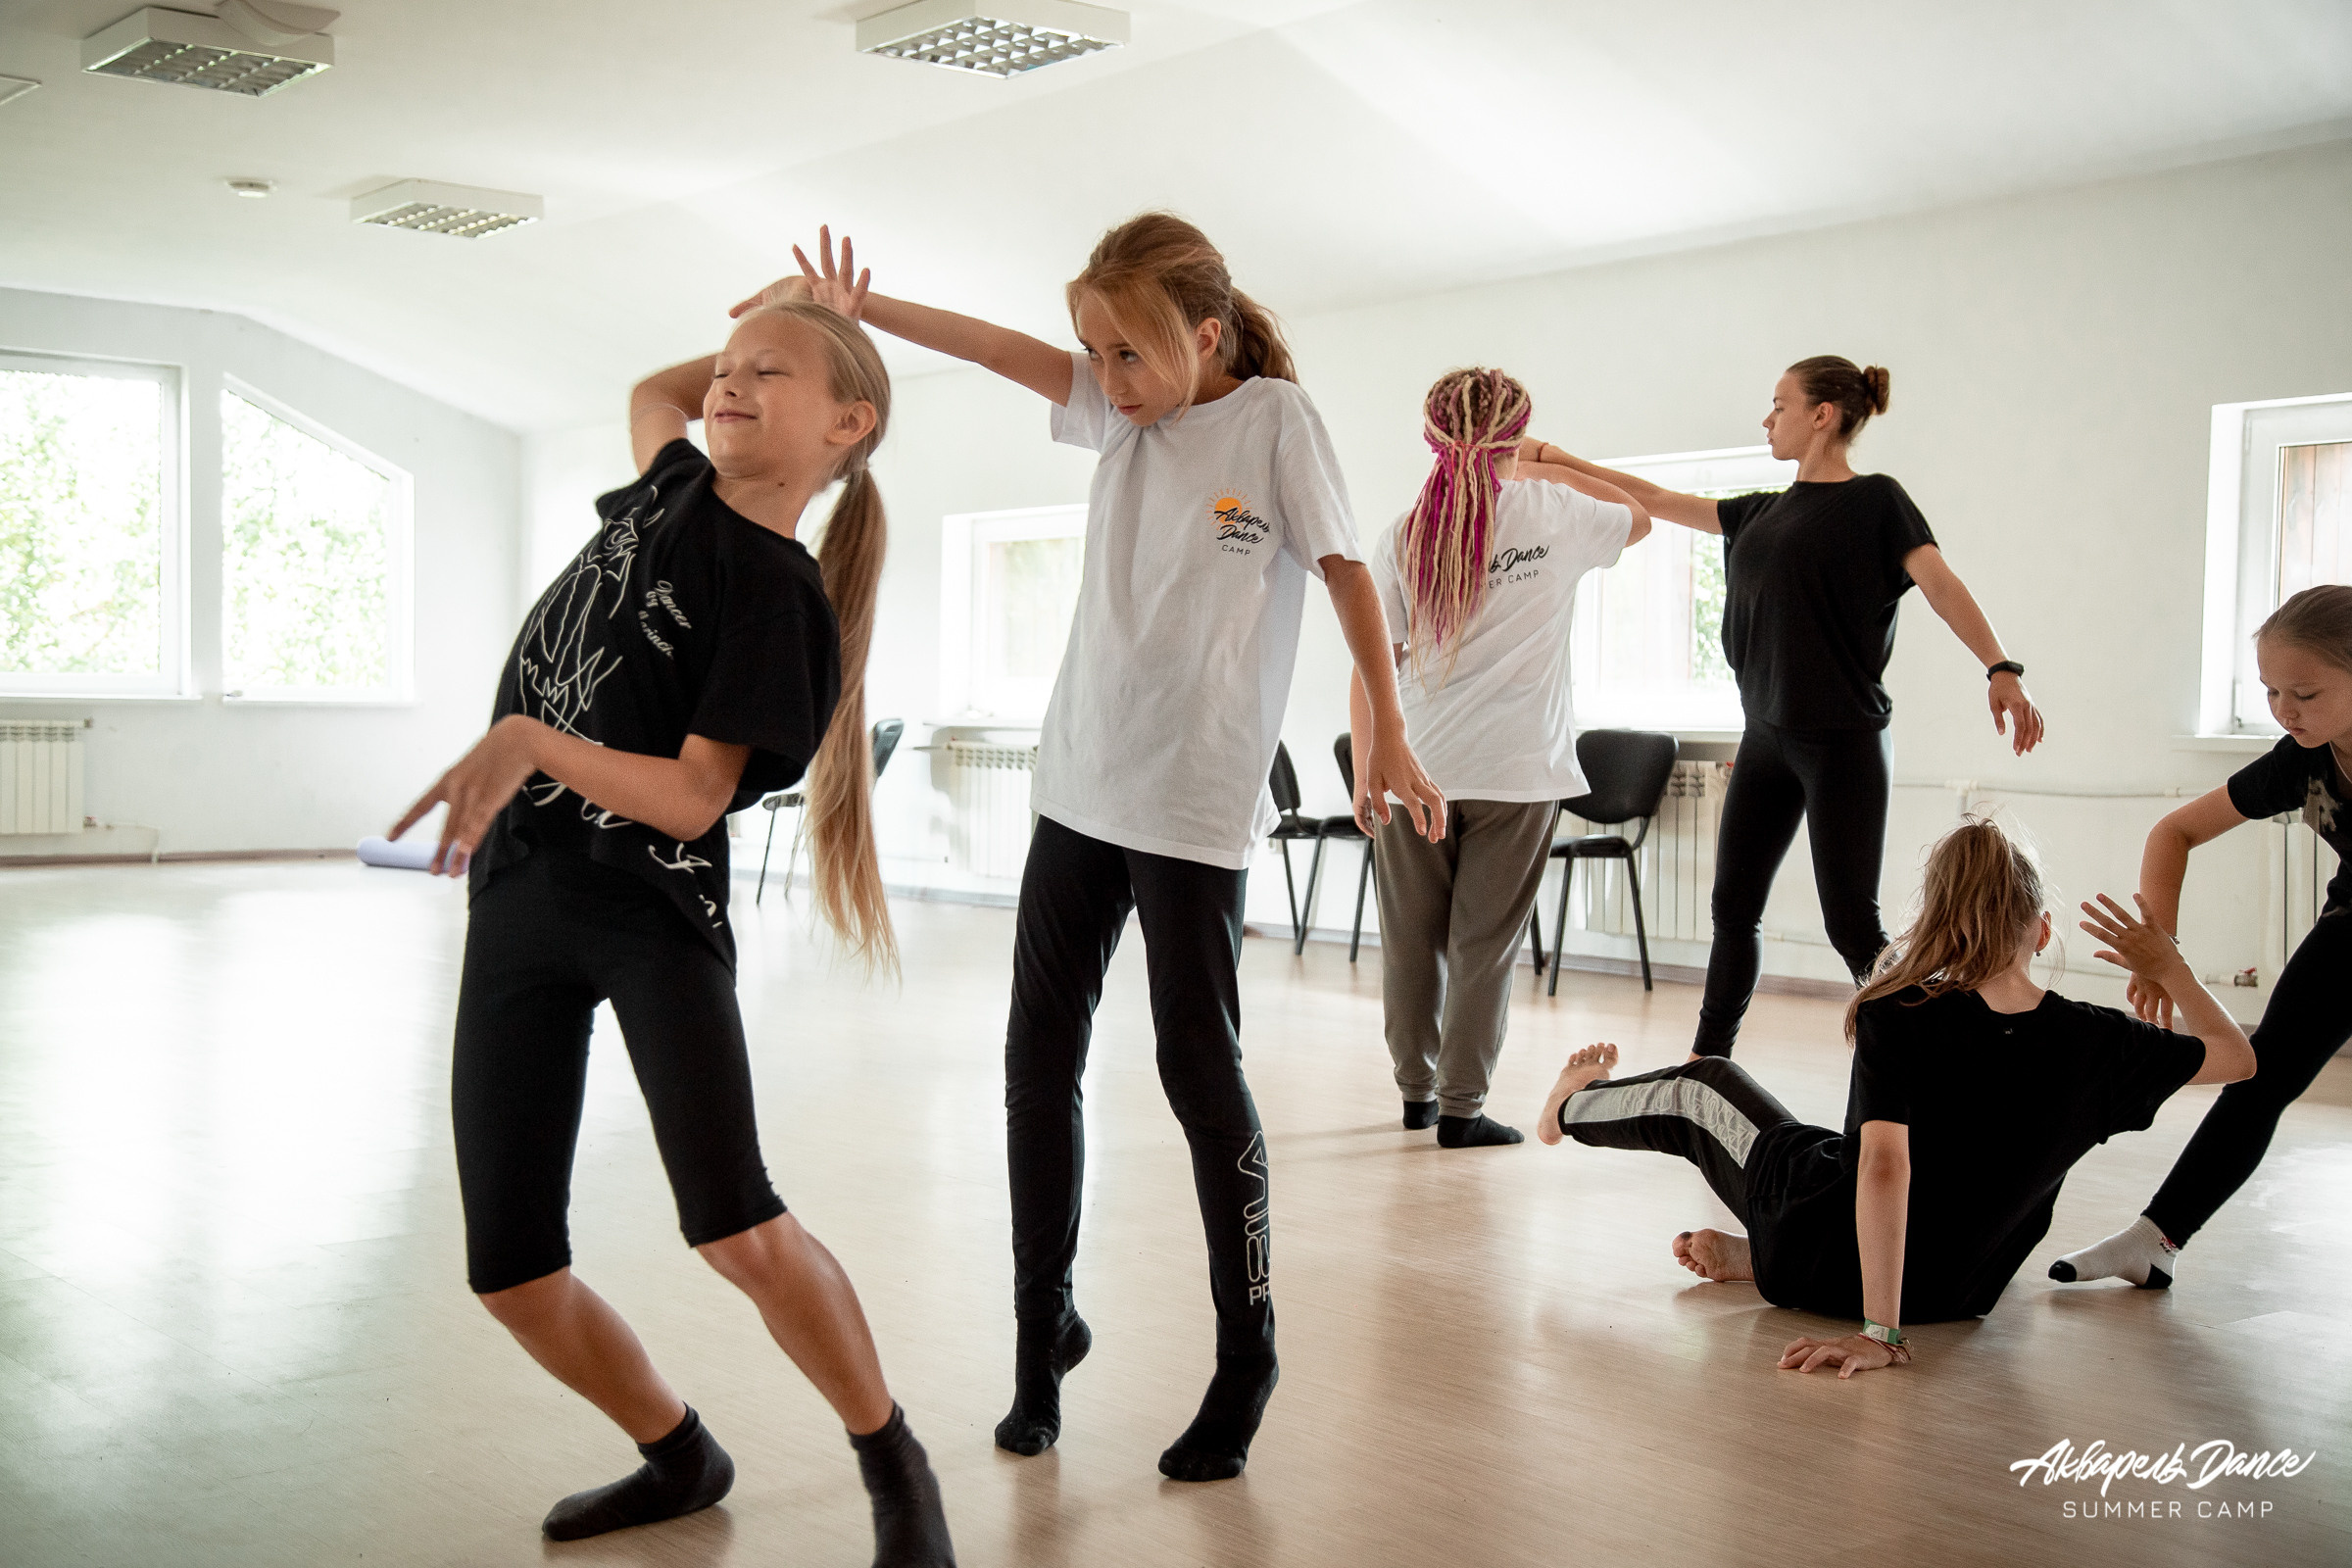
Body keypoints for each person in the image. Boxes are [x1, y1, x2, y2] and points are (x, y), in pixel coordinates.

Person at [735, 220, 1444, 1481]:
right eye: (1094, 354)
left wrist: (1387, 726)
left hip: (1191, 802)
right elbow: (1000, 348)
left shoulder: (1276, 421)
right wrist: (869, 309)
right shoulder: (1124, 414)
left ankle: (1247, 1355)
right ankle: (1040, 1333)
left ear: (1206, 336)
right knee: (1033, 1067)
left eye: (1128, 354)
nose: (1106, 380)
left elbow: (1345, 575)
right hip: (1078, 787)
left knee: (1196, 1070)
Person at [388, 284, 955, 1562]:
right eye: (731, 369)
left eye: (775, 378)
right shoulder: (673, 489)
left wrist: (532, 736)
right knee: (513, 1273)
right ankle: (678, 1451)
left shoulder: (777, 594)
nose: (731, 385)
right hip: (523, 899)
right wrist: (794, 321)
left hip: (650, 913)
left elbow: (696, 799)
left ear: (850, 426)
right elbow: (656, 395)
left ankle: (892, 1460)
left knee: (738, 1230)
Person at [1533, 816, 2252, 1377]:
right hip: (1954, 1295)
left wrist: (1880, 1335)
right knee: (1830, 1149)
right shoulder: (2099, 1043)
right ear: (2043, 929)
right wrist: (2171, 966)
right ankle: (1763, 1262)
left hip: (1831, 1255)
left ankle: (1569, 1108)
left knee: (1702, 1089)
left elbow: (1883, 1169)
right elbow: (2238, 1058)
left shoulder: (1901, 1012)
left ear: (1933, 922)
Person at [1540, 360, 2046, 1058]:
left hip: (1843, 741)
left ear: (1824, 415)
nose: (1766, 419)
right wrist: (1555, 461)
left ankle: (1931, 1053)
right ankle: (1706, 1060)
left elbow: (1941, 585)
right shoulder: (1758, 512)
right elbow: (1652, 496)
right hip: (1767, 739)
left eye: (1779, 406)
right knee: (1732, 909)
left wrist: (2000, 667)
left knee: (1851, 924)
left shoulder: (1877, 502)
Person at [1354, 367, 1650, 1148]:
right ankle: (1461, 1109)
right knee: (1483, 948)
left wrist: (1367, 770)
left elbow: (1370, 663)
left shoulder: (1404, 531)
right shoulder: (1556, 508)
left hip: (1417, 765)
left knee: (1410, 942)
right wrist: (1549, 461)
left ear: (1431, 439)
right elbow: (1641, 517)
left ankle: (1417, 1096)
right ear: (1517, 436)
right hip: (1519, 774)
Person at [2051, 584, 2352, 1290]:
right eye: (2272, 691)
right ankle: (2156, 1238)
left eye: (2303, 693)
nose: (2284, 711)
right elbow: (2174, 831)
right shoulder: (2301, 759)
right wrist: (2161, 955)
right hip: (2351, 926)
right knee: (2259, 1070)